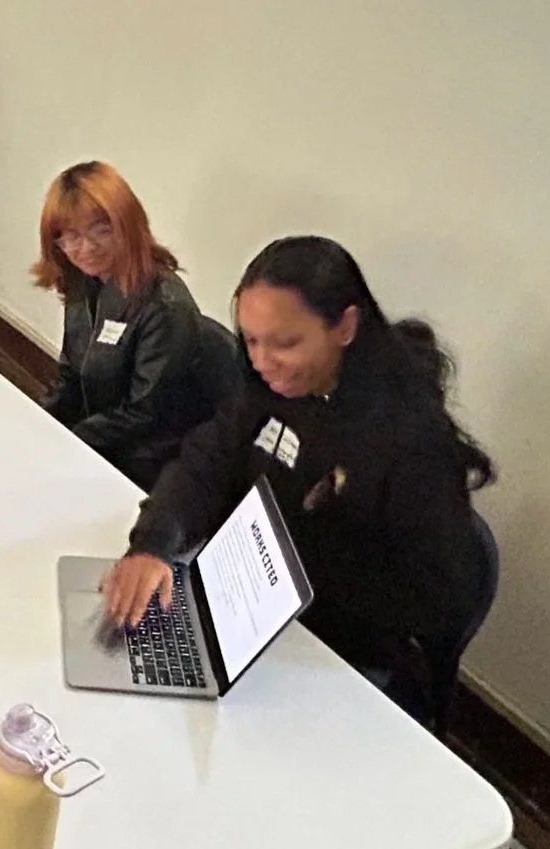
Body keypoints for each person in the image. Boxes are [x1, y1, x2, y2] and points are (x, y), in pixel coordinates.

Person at [101, 235, 496, 718]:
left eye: (286, 343)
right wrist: (152, 544)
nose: (263, 361)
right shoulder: (269, 385)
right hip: (247, 605)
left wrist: (298, 558)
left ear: (345, 326)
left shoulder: (409, 442)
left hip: (339, 650)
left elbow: (439, 598)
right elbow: (208, 457)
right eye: (250, 339)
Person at [32, 161, 240, 490]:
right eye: (70, 236)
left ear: (127, 224)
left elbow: (145, 413)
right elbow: (70, 374)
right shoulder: (82, 284)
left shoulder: (164, 307)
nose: (85, 248)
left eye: (100, 230)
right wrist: (38, 427)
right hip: (104, 437)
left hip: (151, 461)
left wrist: (69, 443)